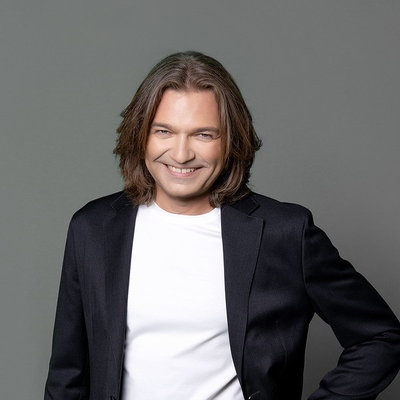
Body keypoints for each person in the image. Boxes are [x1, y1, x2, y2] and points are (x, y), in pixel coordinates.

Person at [44, 51, 400, 400]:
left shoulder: (284, 233)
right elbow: (67, 377)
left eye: (203, 135)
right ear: (140, 135)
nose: (181, 154)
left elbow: (380, 337)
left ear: (231, 141)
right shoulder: (93, 229)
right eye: (164, 131)